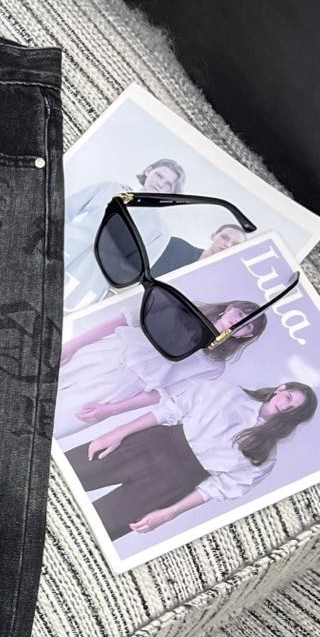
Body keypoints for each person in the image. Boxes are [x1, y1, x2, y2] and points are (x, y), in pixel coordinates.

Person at [63, 379, 315, 542]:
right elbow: (169, 410)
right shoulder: (226, 391)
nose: (286, 407)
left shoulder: (266, 455)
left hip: (173, 483)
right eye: (288, 398)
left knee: (98, 528)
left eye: (294, 409)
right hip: (149, 444)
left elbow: (215, 489)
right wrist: (118, 432)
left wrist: (169, 513)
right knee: (66, 473)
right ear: (280, 388)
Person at [53, 300, 266, 440]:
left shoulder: (213, 366)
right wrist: (73, 345)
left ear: (246, 335)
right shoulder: (186, 307)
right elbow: (123, 320)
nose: (238, 322)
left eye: (247, 325)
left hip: (122, 386)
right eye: (239, 313)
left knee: (56, 422)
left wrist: (112, 410)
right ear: (229, 308)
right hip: (105, 352)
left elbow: (161, 394)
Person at [64, 157, 185, 310]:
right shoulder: (110, 188)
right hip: (61, 250)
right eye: (159, 175)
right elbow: (65, 209)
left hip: (88, 281)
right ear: (148, 171)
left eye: (168, 184)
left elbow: (135, 272)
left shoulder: (160, 231)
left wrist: (111, 293)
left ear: (172, 191)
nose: (160, 184)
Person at [150, 221, 248, 278]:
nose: (228, 244)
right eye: (224, 237)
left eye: (235, 244)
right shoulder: (176, 246)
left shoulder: (217, 282)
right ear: (213, 236)